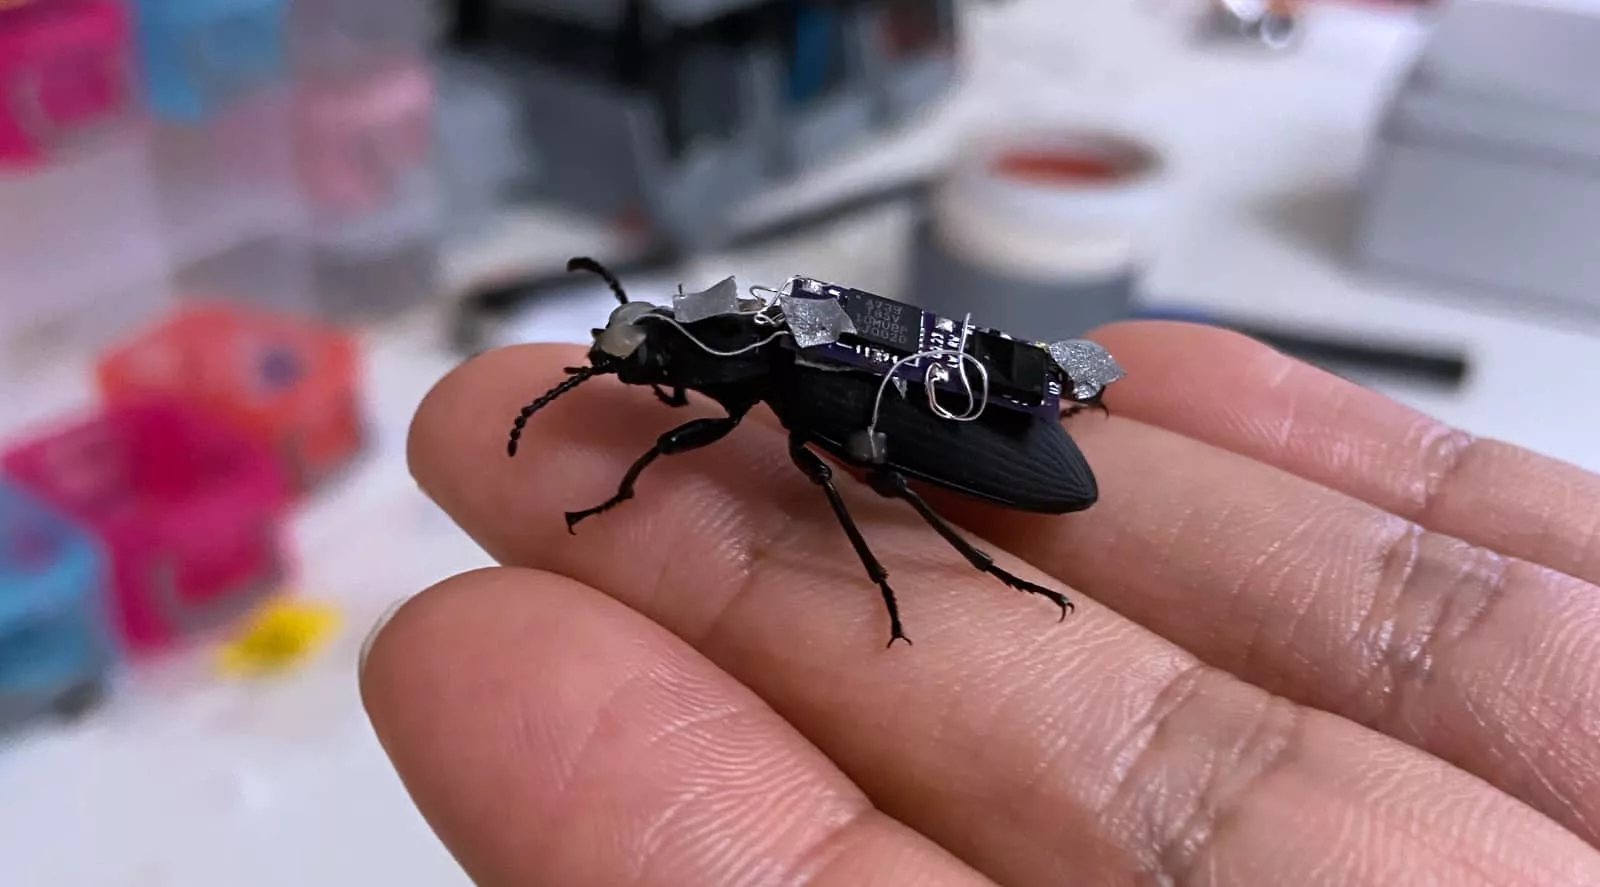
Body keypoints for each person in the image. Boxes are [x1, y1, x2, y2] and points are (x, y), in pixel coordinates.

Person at [363, 320, 1600, 886]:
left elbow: (781, 432)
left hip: (1007, 466)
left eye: (662, 365)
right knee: (853, 475)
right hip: (979, 423)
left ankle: (965, 567)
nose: (654, 383)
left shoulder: (787, 373)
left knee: (867, 487)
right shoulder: (789, 350)